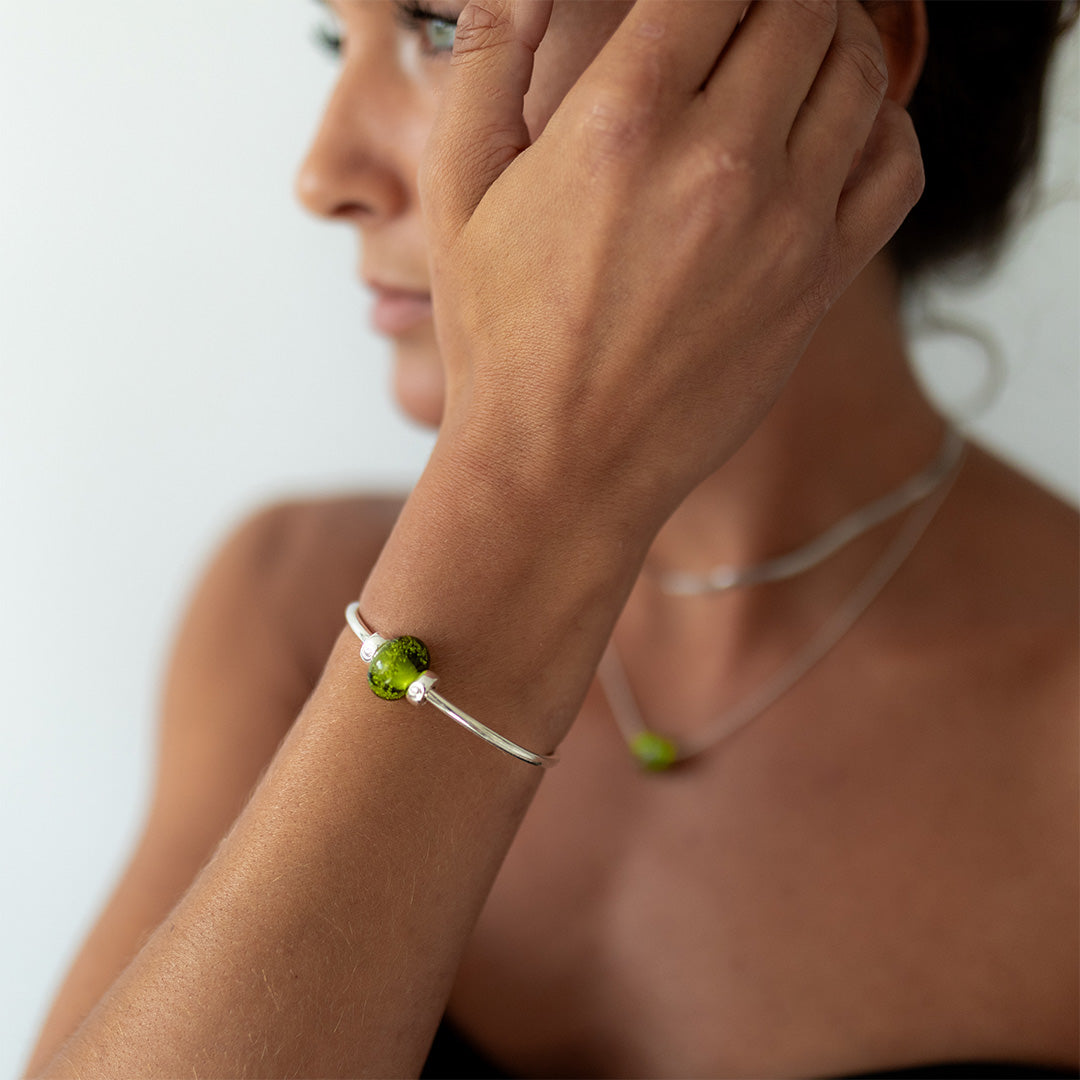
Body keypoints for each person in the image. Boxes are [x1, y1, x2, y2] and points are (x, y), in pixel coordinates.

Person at [24, 1, 1079, 1077]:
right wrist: (533, 486)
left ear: (831, 57)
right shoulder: (293, 608)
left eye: (439, 28)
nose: (323, 174)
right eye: (335, 43)